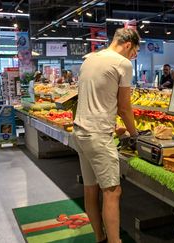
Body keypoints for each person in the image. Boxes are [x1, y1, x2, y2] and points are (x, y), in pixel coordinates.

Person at [73, 28, 140, 243]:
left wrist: (112, 128)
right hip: (98, 137)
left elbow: (95, 100)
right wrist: (135, 134)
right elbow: (124, 108)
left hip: (80, 132)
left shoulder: (89, 59)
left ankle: (100, 238)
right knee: (112, 191)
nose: (132, 57)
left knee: (91, 190)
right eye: (134, 52)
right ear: (128, 44)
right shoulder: (122, 64)